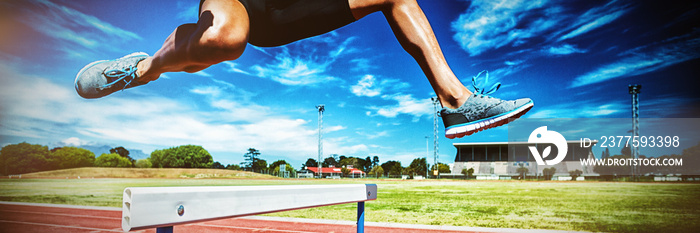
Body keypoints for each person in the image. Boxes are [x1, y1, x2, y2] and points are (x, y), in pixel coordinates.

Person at [75, 0, 533, 139]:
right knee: (222, 39)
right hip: (241, 4)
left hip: (290, 8)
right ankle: (143, 68)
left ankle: (455, 101)